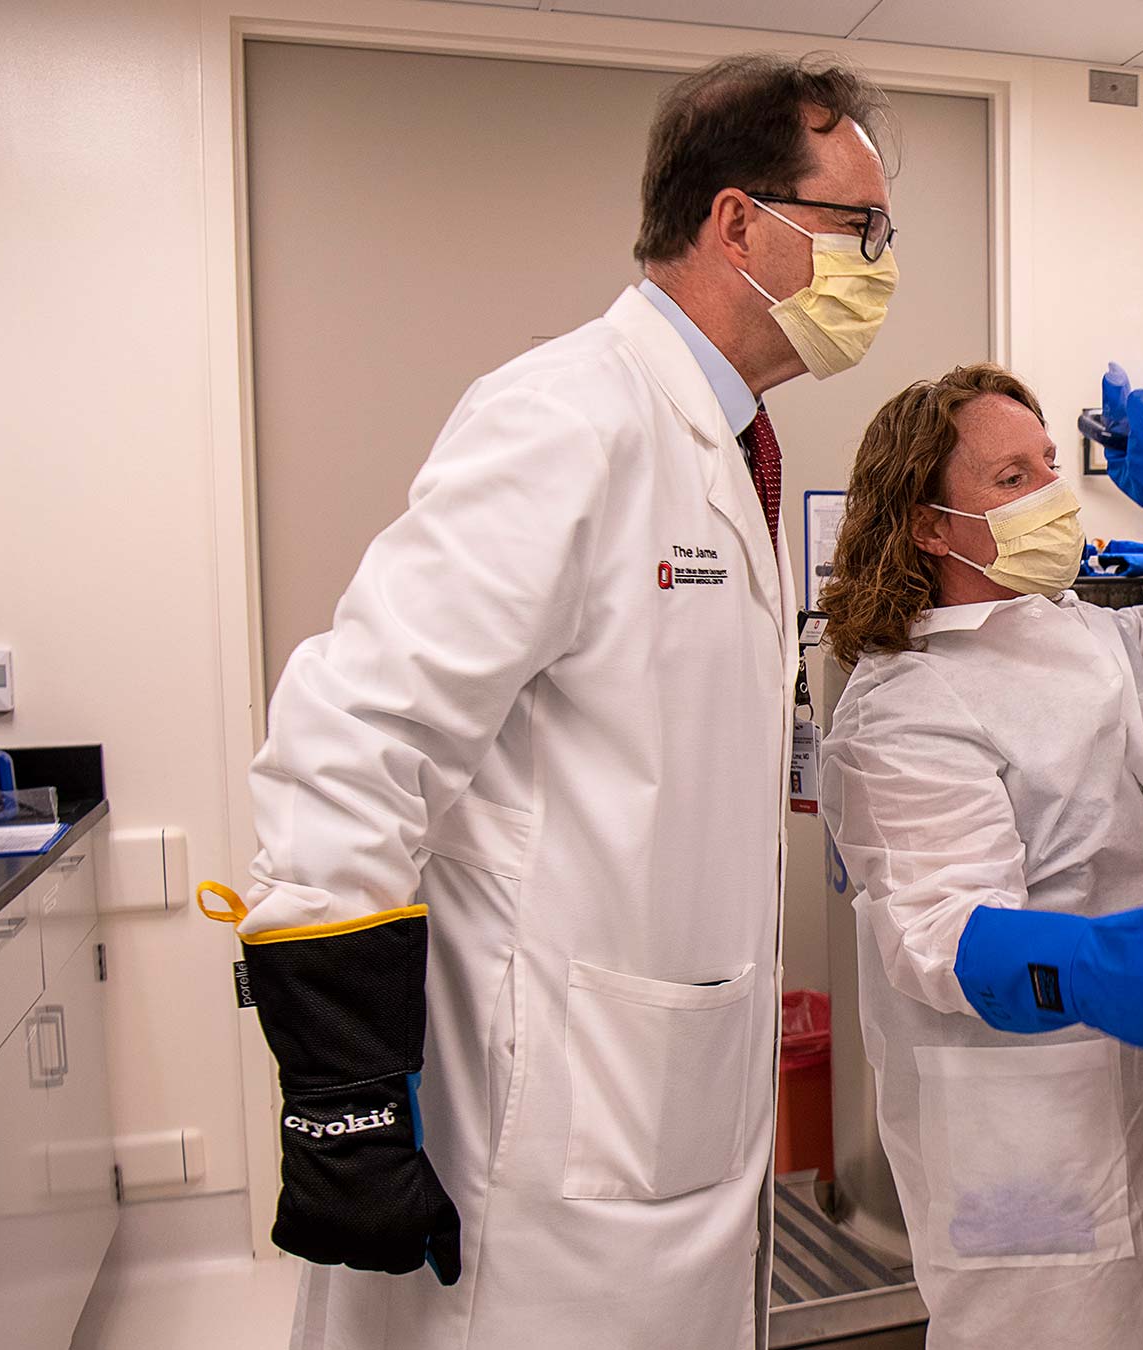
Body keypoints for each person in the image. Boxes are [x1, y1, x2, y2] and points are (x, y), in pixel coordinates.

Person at [200, 55, 898, 1349]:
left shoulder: (726, 441)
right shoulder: (572, 415)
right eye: (860, 226)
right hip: (548, 1130)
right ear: (738, 220)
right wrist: (344, 1099)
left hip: (660, 1100)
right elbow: (354, 731)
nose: (880, 263)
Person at [817, 362, 1143, 1349]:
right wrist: (1090, 966)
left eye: (1047, 465)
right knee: (1044, 1329)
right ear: (928, 523)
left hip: (1135, 1086)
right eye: (1010, 478)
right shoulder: (908, 703)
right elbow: (937, 936)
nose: (1049, 493)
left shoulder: (1073, 632)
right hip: (1018, 1122)